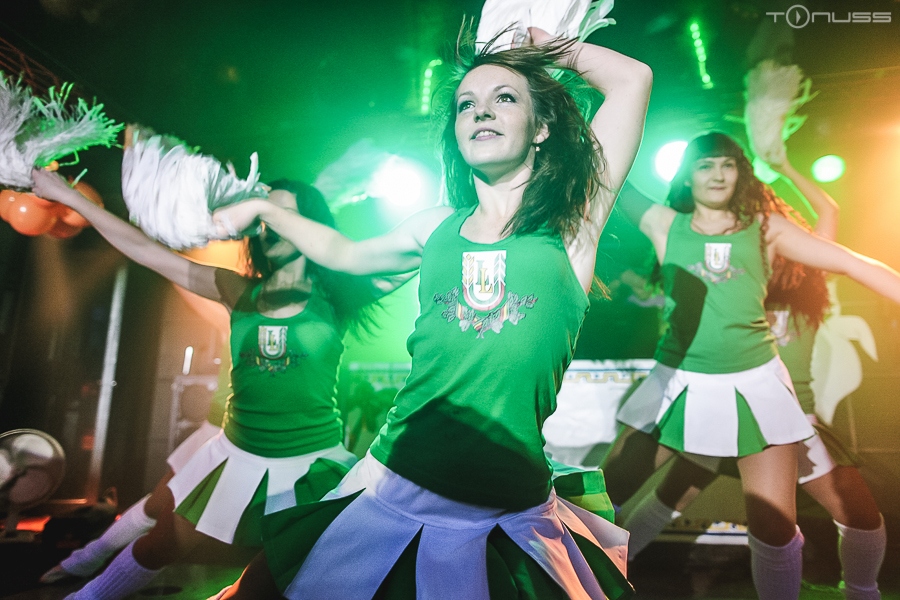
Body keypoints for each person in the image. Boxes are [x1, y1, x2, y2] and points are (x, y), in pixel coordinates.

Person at [208, 25, 652, 600]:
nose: (481, 111)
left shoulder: (572, 226)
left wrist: (541, 46)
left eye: (505, 98)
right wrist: (265, 208)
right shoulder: (434, 226)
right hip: (394, 479)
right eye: (466, 104)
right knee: (260, 591)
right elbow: (343, 253)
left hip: (507, 504)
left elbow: (632, 79)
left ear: (542, 127)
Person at [31, 171, 384, 600]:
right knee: (159, 543)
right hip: (238, 452)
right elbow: (144, 251)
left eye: (282, 214)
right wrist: (72, 199)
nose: (269, 226)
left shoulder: (342, 296)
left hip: (311, 461)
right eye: (263, 218)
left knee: (290, 571)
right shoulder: (236, 289)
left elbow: (413, 254)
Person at [602, 132, 900, 600]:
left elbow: (848, 258)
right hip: (683, 390)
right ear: (688, 176)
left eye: (727, 165)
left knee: (784, 524)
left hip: (769, 407)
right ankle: (591, 584)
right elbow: (610, 173)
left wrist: (783, 164)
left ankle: (862, 591)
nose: (717, 174)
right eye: (705, 165)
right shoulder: (668, 226)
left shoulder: (780, 253)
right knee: (610, 497)